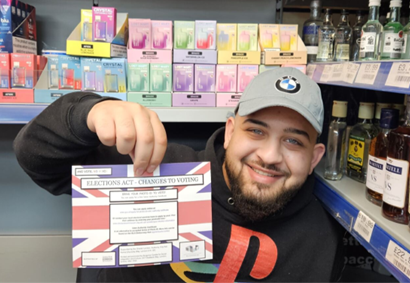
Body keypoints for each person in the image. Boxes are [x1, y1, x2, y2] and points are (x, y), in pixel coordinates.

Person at [14, 68, 344, 283]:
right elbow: (36, 156)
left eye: (293, 141)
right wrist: (89, 111)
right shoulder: (155, 169)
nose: (270, 156)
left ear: (314, 157)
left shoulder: (321, 234)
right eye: (256, 131)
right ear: (229, 133)